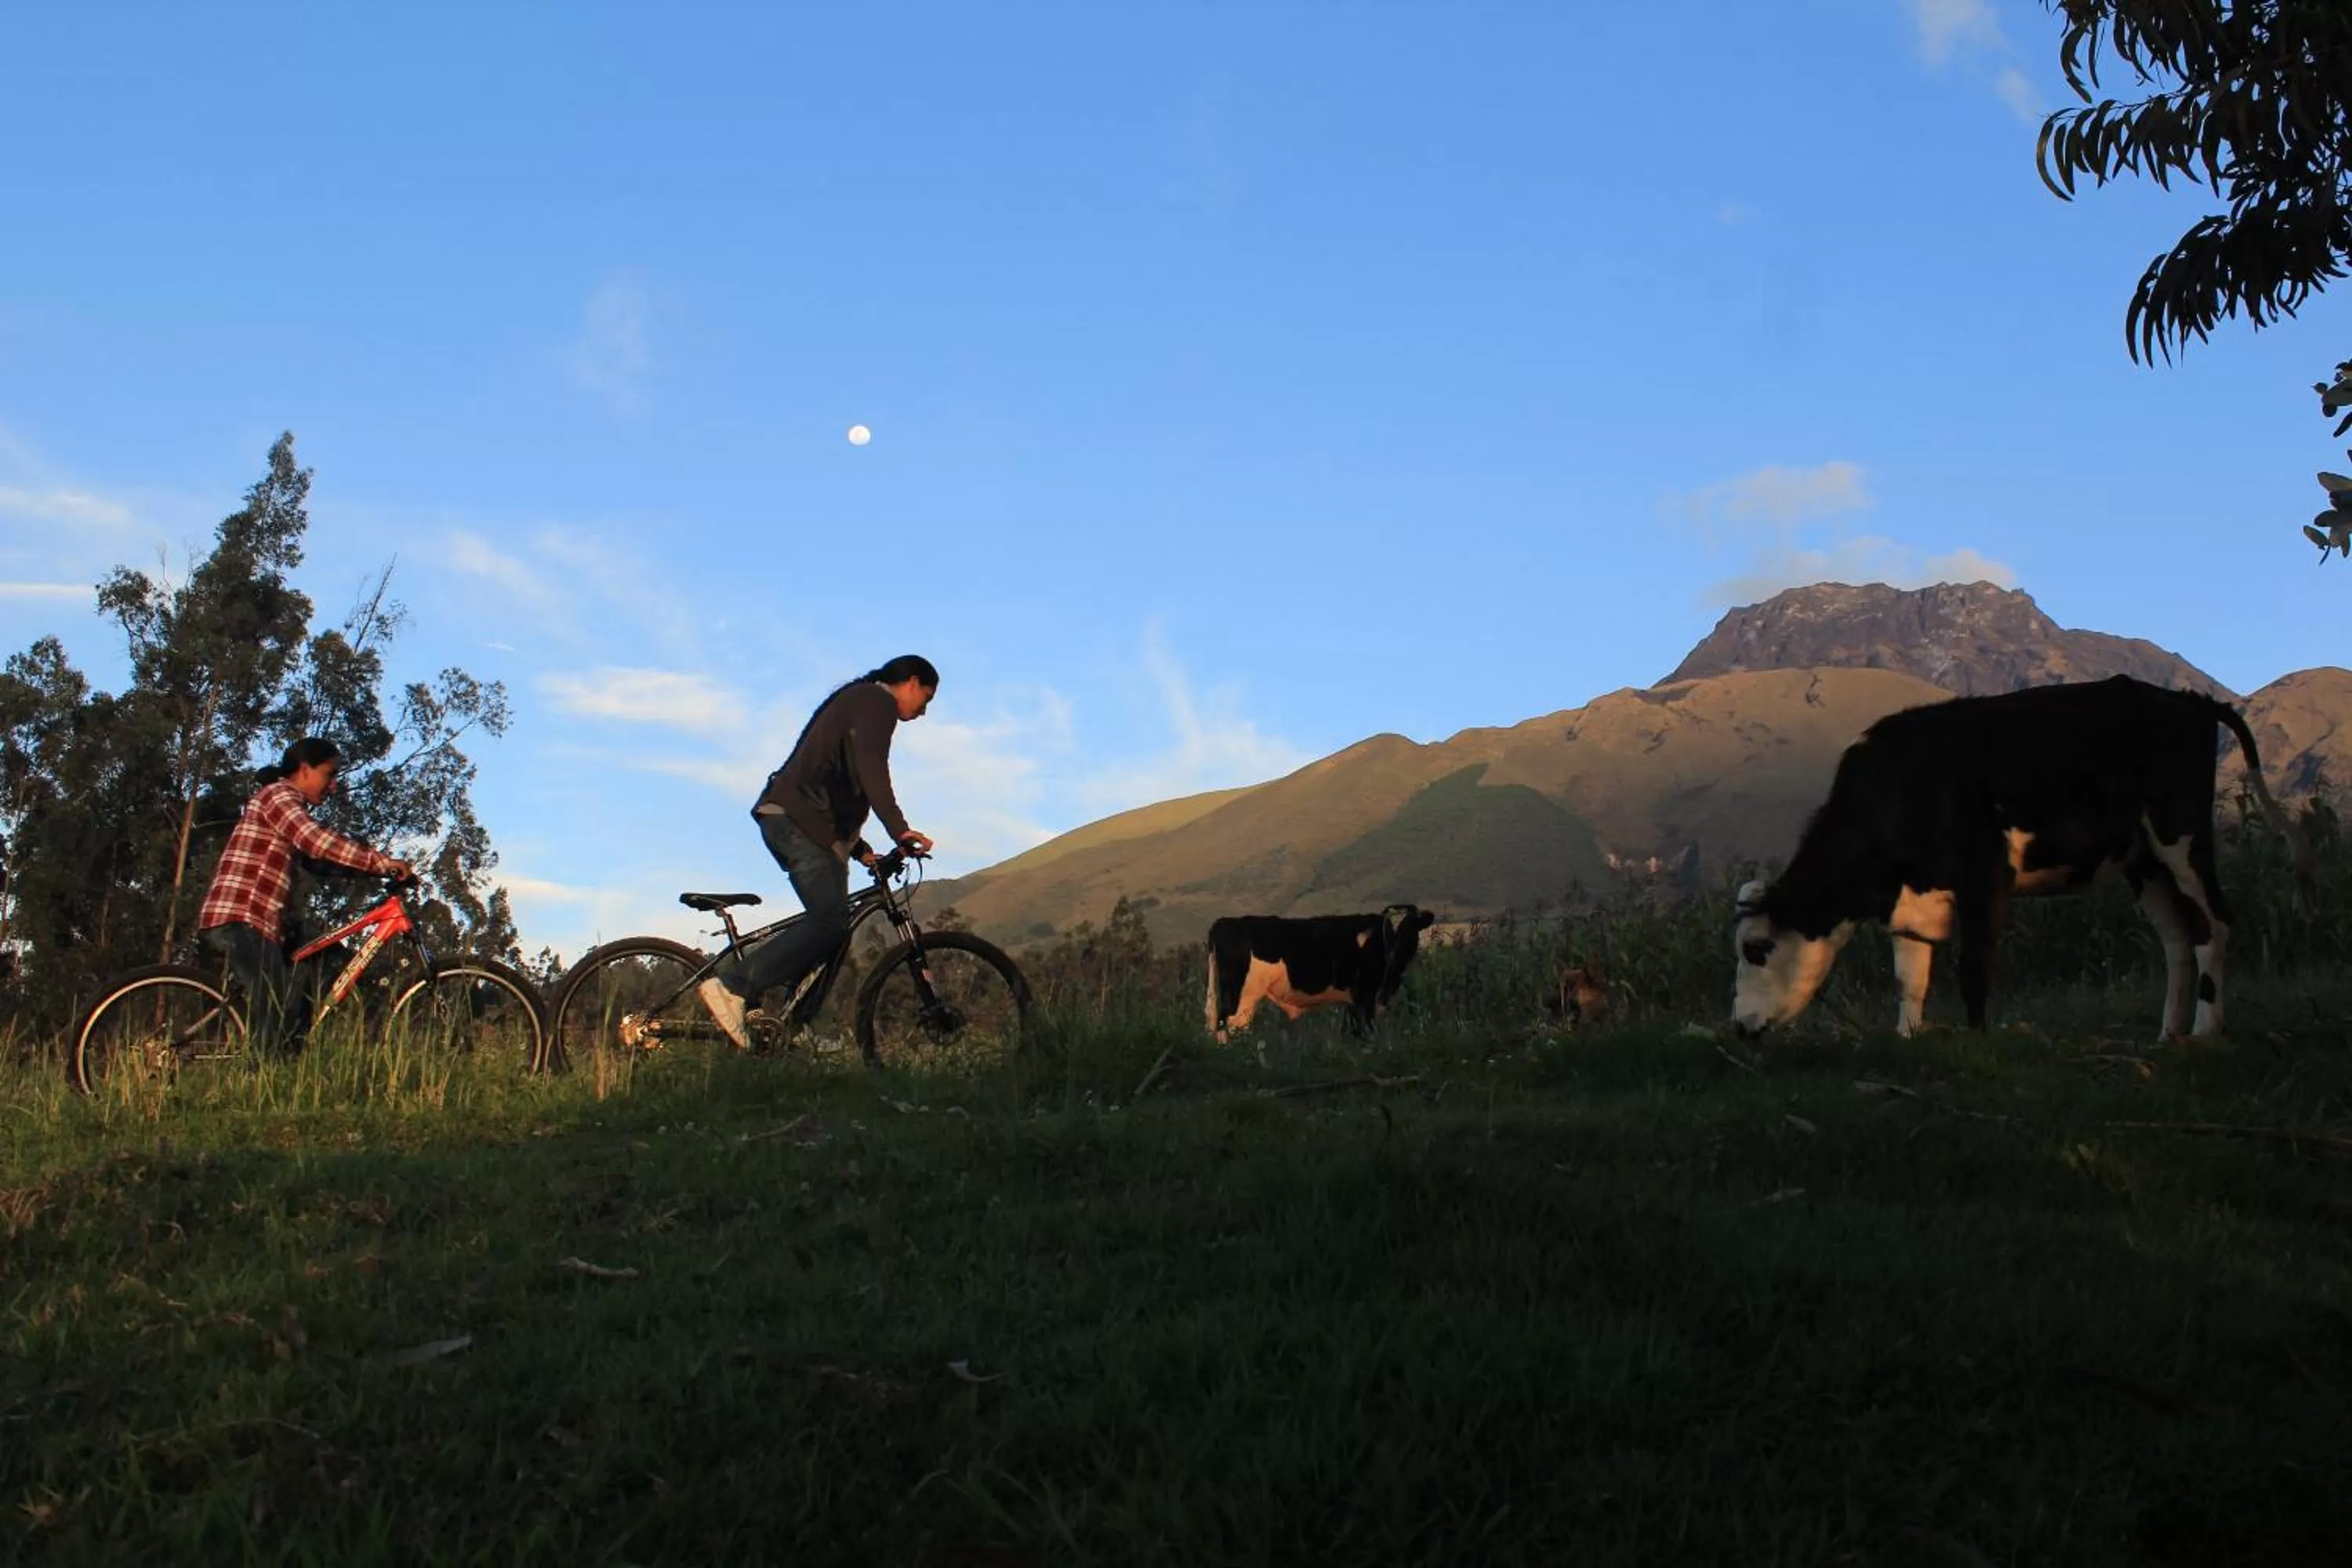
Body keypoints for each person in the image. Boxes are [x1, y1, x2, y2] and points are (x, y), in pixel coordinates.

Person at [701, 655, 938, 1047]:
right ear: (911, 682)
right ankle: (732, 986)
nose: (924, 711)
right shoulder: (876, 702)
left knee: (834, 929)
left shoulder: (858, 702)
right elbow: (871, 769)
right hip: (797, 821)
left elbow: (833, 777)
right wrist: (900, 829)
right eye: (925, 699)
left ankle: (795, 1028)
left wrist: (860, 848)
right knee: (829, 922)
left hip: (804, 822)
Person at [195, 737, 415, 1059]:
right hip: (239, 918)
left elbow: (319, 861)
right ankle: (262, 1082)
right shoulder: (279, 795)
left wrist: (380, 873)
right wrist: (381, 861)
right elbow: (314, 841)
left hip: (264, 924)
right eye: (330, 774)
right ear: (304, 769)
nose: (334, 786)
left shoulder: (288, 805)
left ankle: (289, 1062)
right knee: (276, 997)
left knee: (314, 971)